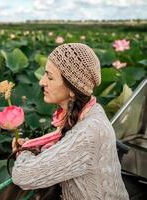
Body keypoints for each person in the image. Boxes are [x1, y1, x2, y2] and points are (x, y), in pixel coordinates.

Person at [11, 43, 129, 200]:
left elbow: (22, 176)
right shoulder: (92, 111)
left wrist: (23, 152)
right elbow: (66, 152)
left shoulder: (88, 133)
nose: (42, 82)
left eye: (50, 77)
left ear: (73, 88)